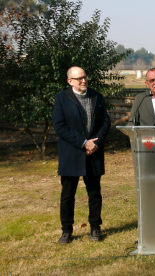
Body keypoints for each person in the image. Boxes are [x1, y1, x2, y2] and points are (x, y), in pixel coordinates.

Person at [53, 66, 111, 244]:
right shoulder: (61, 98)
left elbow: (105, 121)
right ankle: (66, 230)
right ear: (70, 81)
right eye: (79, 79)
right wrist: (83, 142)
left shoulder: (96, 96)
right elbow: (60, 126)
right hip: (71, 153)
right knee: (67, 195)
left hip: (93, 153)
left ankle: (95, 227)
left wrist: (96, 142)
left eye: (85, 77)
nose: (83, 81)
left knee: (94, 193)